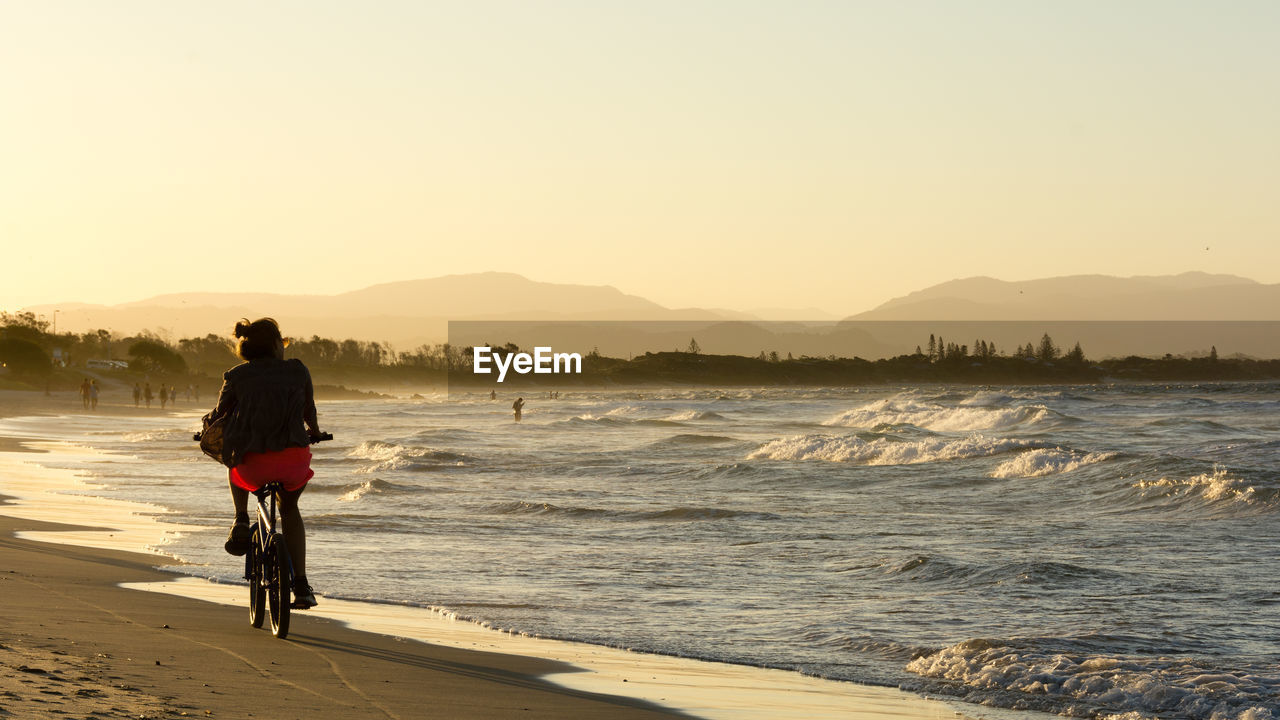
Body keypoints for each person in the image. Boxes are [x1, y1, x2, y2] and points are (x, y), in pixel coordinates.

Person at [206, 318, 322, 608]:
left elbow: (220, 414)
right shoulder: (297, 370)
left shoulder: (236, 375)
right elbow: (309, 409)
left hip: (252, 464)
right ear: (275, 345)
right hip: (292, 461)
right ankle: (302, 586)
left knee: (233, 459)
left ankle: (241, 518)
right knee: (291, 508)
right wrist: (316, 432)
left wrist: (206, 428)